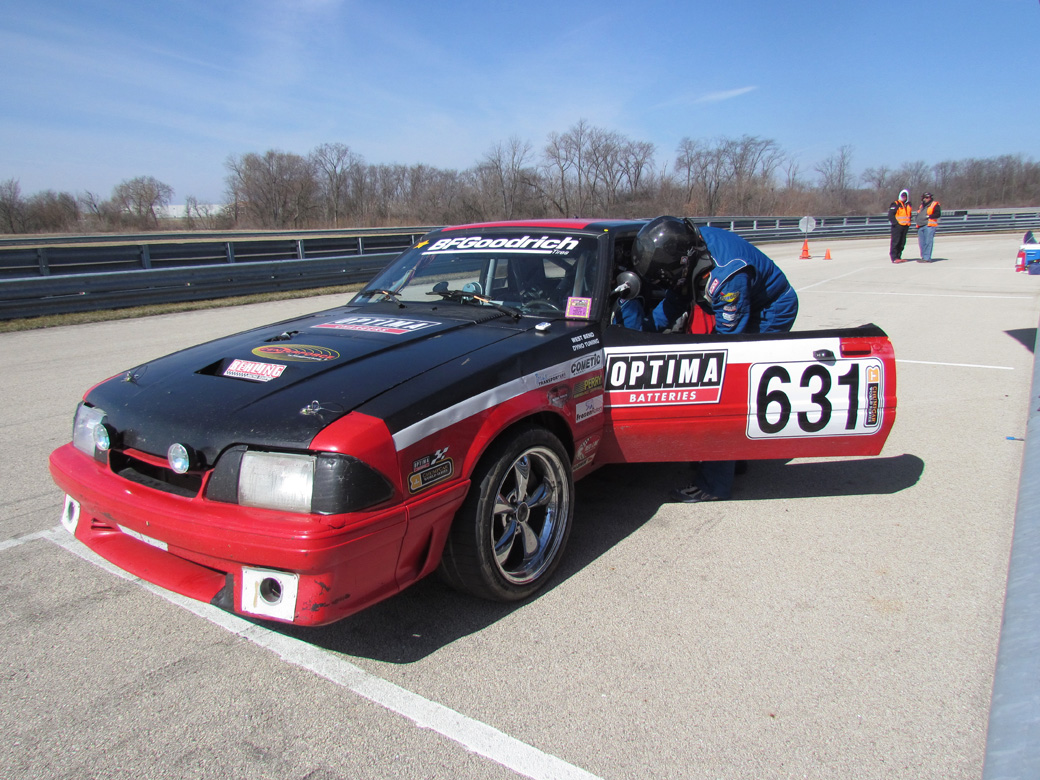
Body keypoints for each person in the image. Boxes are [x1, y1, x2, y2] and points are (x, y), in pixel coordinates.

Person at [630, 216, 798, 503]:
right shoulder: (685, 245)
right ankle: (733, 458)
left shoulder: (727, 279)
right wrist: (637, 337)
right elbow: (673, 302)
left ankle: (714, 483)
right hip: (743, 298)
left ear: (684, 262)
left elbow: (726, 349)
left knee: (728, 388)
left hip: (771, 308)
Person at [915, 192, 941, 262]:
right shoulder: (922, 206)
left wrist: (929, 216)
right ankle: (923, 257)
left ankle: (927, 258)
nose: (925, 199)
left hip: (929, 225)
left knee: (928, 242)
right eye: (924, 197)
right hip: (921, 225)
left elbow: (938, 214)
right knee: (922, 243)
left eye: (927, 197)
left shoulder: (934, 204)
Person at [888, 189, 912, 263]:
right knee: (896, 242)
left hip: (905, 226)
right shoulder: (895, 204)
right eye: (902, 196)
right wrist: (895, 224)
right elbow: (890, 215)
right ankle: (894, 258)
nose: (904, 197)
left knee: (902, 243)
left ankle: (899, 256)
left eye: (905, 196)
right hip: (897, 227)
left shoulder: (908, 204)